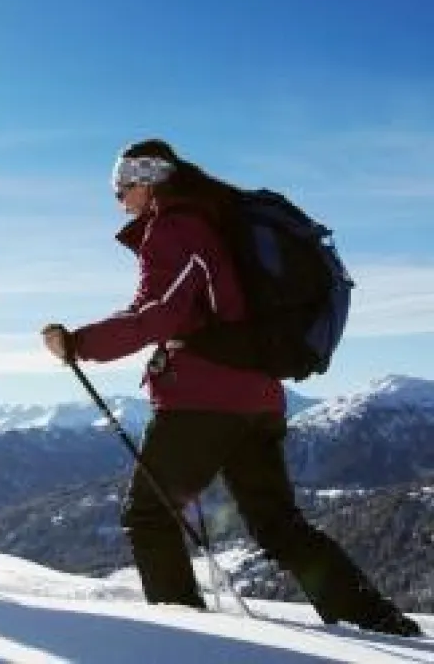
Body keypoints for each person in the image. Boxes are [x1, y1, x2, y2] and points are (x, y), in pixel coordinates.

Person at [40, 139, 423, 638]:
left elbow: (158, 313)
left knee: (150, 514)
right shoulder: (217, 222)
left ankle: (181, 640)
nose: (119, 200)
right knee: (278, 524)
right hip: (257, 396)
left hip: (204, 398)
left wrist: (78, 343)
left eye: (122, 187)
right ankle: (378, 623)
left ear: (148, 179)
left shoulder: (175, 227)